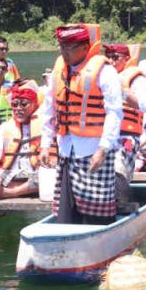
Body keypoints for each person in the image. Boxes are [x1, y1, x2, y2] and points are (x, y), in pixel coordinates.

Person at [40, 25, 123, 224]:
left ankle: (101, 242)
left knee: (96, 213)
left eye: (69, 47)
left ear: (85, 47)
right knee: (66, 212)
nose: (64, 52)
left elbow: (114, 112)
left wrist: (103, 149)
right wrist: (45, 145)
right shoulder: (59, 70)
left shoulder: (105, 71)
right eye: (61, 47)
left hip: (94, 150)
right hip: (66, 151)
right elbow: (49, 108)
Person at [104, 43, 146, 205]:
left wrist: (122, 89)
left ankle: (121, 205)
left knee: (118, 168)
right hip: (104, 133)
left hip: (126, 136)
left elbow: (145, 105)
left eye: (115, 57)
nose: (111, 61)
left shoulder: (138, 80)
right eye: (108, 57)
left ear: (126, 59)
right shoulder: (103, 78)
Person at [0, 80, 43, 199]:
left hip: (34, 176)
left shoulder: (45, 127)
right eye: (15, 104)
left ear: (34, 104)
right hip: (10, 174)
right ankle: (13, 189)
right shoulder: (4, 128)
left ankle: (10, 192)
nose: (18, 108)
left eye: (24, 104)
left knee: (49, 176)